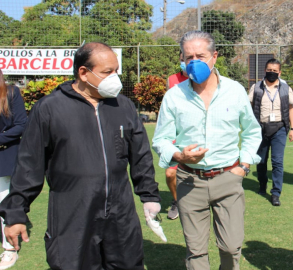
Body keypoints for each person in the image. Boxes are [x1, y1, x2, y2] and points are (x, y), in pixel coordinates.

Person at [0, 42, 161, 270]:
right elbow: (29, 165)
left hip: (121, 215)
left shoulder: (123, 106)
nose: (115, 77)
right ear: (84, 73)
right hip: (73, 215)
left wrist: (150, 196)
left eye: (116, 70)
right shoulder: (49, 108)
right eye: (107, 72)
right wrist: (16, 213)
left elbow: (141, 156)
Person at [152, 31, 262, 270]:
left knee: (231, 247)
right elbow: (160, 139)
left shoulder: (235, 91)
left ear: (214, 56)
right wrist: (179, 155)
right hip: (189, 180)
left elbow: (252, 131)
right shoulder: (174, 96)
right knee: (195, 250)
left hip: (228, 178)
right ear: (182, 58)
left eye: (200, 56)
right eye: (188, 57)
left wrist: (243, 166)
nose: (194, 62)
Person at [248, 59, 293, 206]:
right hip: (260, 129)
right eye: (270, 70)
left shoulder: (285, 88)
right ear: (265, 70)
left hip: (279, 129)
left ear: (280, 73)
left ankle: (276, 193)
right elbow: (248, 107)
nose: (272, 73)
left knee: (277, 162)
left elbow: (290, 108)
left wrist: (292, 128)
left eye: (275, 71)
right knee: (261, 161)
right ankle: (262, 184)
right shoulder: (256, 88)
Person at [0, 69, 27, 269]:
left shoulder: (11, 93)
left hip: (5, 154)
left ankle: (9, 248)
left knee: (4, 201)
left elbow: (21, 125)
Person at [164, 52, 189, 220]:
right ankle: (176, 201)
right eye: (183, 59)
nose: (185, 62)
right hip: (174, 133)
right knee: (170, 174)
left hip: (193, 132)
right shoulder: (172, 79)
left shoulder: (202, 80)